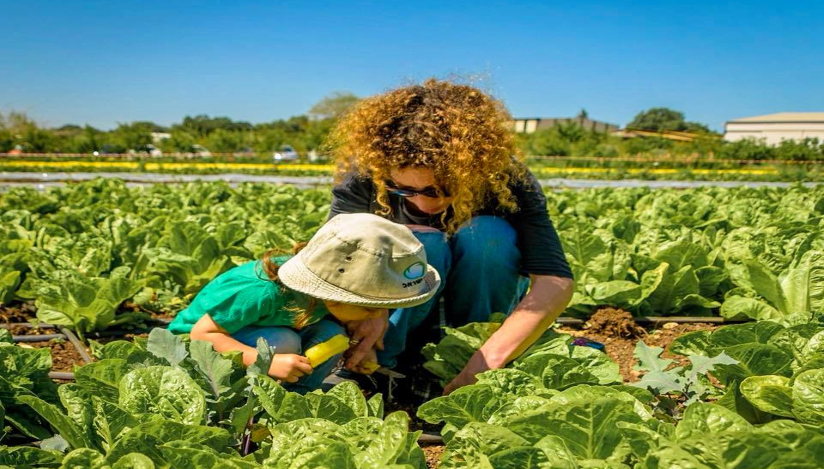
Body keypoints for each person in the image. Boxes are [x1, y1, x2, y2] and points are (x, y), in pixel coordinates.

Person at [325, 78, 575, 394]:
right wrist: (369, 312)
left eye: (442, 190)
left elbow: (555, 280)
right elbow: (329, 264)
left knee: (487, 237)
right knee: (419, 242)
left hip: (478, 310)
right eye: (404, 190)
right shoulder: (368, 172)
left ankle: (461, 360)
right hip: (393, 316)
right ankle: (381, 368)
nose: (424, 203)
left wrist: (488, 357)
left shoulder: (509, 179)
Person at [167, 213, 441, 394]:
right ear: (336, 292)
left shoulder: (328, 288)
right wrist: (265, 362)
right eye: (368, 306)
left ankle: (298, 398)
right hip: (195, 347)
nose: (377, 314)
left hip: (260, 332)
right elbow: (202, 335)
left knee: (333, 336)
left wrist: (358, 348)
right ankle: (247, 402)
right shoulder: (261, 291)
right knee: (284, 342)